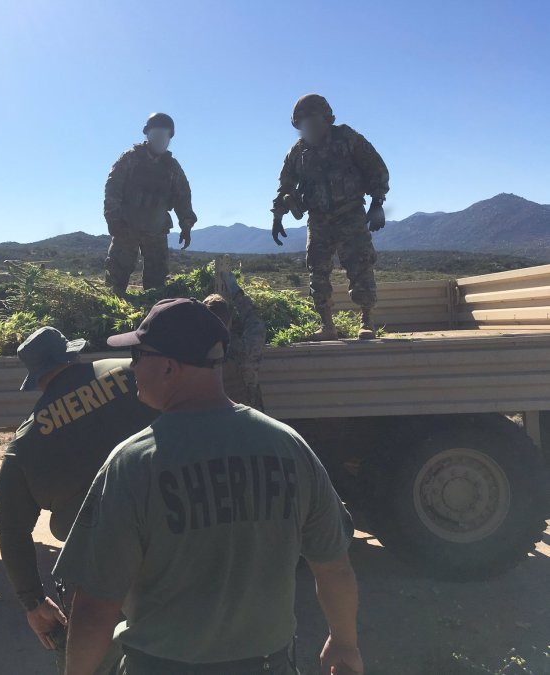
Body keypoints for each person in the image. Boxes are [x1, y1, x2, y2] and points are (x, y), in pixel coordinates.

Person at [54, 298, 363, 675]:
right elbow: (334, 568)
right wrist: (344, 642)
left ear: (168, 367)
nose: (131, 366)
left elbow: (94, 610)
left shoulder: (133, 463)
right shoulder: (289, 447)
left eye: (138, 354)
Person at [0, 326, 156, 664]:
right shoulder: (131, 372)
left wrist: (33, 602)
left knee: (99, 659)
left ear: (36, 378)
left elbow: (10, 528)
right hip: (173, 542)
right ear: (73, 354)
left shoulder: (26, 441)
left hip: (95, 571)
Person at [271, 93, 390, 341]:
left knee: (360, 266)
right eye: (302, 124)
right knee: (317, 271)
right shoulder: (298, 152)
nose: (308, 128)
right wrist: (278, 216)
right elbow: (285, 187)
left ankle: (366, 321)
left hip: (350, 214)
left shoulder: (347, 139)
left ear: (326, 119)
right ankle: (327, 325)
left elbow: (376, 168)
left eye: (312, 121)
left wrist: (377, 203)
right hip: (318, 219)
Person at [103, 112, 197, 296]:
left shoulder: (172, 167)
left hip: (156, 230)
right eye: (156, 135)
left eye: (165, 136)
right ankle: (112, 312)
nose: (161, 140)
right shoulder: (130, 159)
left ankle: (153, 315)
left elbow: (183, 197)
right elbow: (112, 189)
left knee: (157, 282)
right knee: (116, 278)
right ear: (147, 134)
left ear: (170, 138)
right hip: (126, 227)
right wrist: (113, 220)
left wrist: (186, 225)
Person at [203, 261, 267, 410]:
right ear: (230, 321)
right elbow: (254, 319)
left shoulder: (194, 353)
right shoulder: (245, 349)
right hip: (248, 420)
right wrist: (236, 292)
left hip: (211, 422)